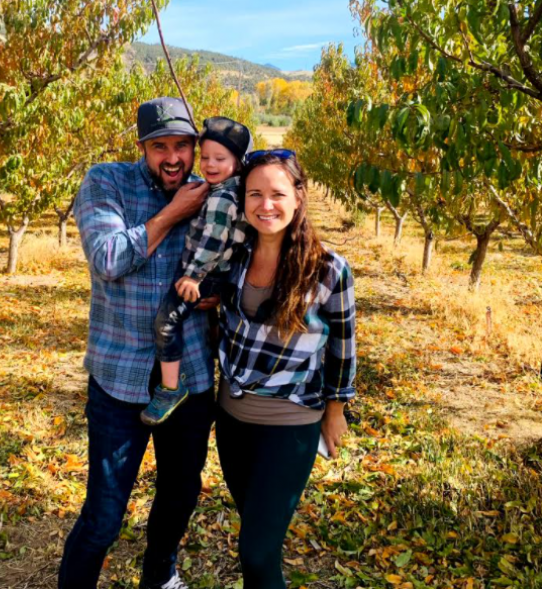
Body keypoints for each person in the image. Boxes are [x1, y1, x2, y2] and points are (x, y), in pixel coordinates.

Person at [58, 97, 217, 589]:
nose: (173, 158)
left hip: (188, 375)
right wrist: (173, 213)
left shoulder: (213, 190)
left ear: (195, 147)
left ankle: (160, 575)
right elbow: (106, 258)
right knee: (104, 514)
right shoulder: (106, 182)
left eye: (182, 146)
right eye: (159, 146)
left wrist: (217, 289)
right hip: (119, 376)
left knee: (178, 495)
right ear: (142, 148)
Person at [215, 149, 357, 589]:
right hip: (232, 420)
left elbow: (343, 347)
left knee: (254, 550)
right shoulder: (232, 258)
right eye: (254, 194)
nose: (265, 205)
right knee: (261, 540)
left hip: (290, 424)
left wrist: (335, 411)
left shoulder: (329, 269)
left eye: (277, 193)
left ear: (298, 197)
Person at [141, 116, 253, 425]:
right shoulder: (229, 191)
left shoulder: (220, 199)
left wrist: (193, 275)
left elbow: (211, 243)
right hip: (212, 274)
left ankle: (171, 388)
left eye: (220, 158)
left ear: (238, 162)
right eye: (204, 157)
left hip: (202, 273)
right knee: (205, 321)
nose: (209, 164)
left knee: (166, 323)